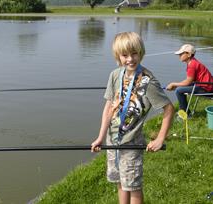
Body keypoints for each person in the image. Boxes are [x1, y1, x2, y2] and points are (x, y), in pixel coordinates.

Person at [91, 32, 174, 204]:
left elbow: (169, 109)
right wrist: (100, 137)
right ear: (118, 56)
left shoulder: (148, 81)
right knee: (120, 182)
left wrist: (160, 138)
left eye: (134, 53)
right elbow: (108, 108)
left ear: (141, 52)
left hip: (131, 143)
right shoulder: (114, 75)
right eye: (125, 55)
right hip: (112, 141)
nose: (130, 59)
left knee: (133, 187)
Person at [166, 44, 213, 115]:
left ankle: (185, 114)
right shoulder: (192, 62)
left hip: (206, 88)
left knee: (179, 91)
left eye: (181, 54)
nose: (179, 56)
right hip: (204, 85)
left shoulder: (192, 65)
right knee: (180, 88)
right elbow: (189, 80)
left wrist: (173, 84)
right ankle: (184, 110)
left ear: (188, 54)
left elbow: (188, 82)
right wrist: (177, 85)